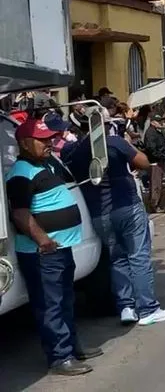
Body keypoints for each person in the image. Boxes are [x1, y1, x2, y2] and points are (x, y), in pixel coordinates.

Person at [8, 115, 103, 376]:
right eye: (42, 139)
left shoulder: (47, 164)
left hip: (60, 248)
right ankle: (60, 357)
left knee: (65, 300)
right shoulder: (20, 175)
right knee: (50, 305)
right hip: (43, 252)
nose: (49, 142)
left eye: (49, 138)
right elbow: (20, 214)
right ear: (26, 143)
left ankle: (72, 347)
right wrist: (43, 240)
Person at [63, 114, 165, 327]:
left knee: (117, 259)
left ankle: (126, 306)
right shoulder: (114, 142)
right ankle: (148, 308)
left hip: (98, 213)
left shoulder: (71, 151)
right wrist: (127, 144)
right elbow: (144, 162)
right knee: (138, 256)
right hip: (126, 206)